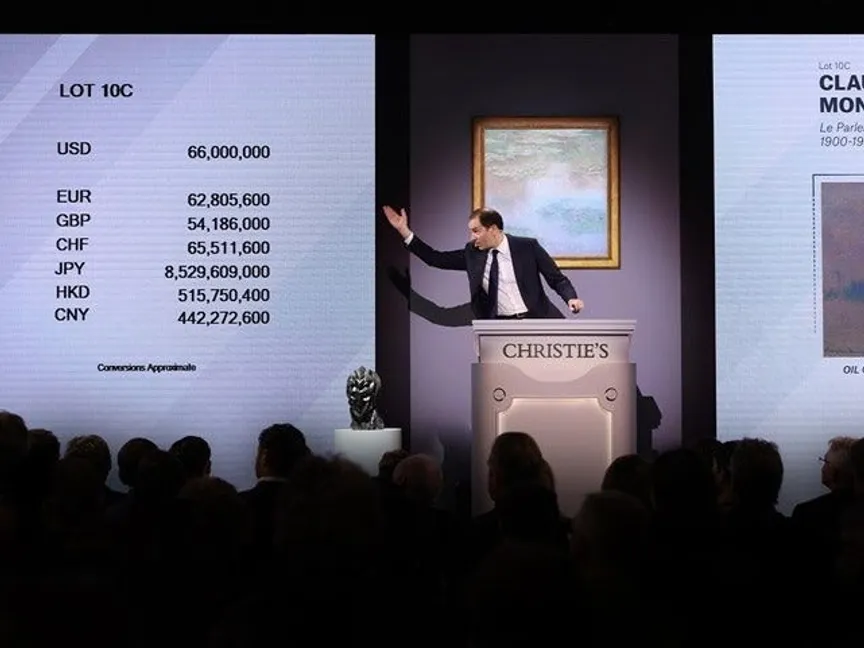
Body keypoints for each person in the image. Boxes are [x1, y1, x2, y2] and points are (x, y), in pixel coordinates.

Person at [382, 205, 583, 319]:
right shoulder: (472, 253)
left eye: (476, 231)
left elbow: (557, 279)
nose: (472, 237)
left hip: (538, 319)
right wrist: (404, 231)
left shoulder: (527, 247)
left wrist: (571, 298)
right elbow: (435, 258)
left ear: (493, 229)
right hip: (499, 327)